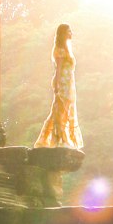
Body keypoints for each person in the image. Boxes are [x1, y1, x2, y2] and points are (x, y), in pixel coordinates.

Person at [33, 22, 83, 150]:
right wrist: (56, 84)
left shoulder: (66, 49)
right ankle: (61, 139)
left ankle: (60, 139)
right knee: (61, 110)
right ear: (63, 33)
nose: (71, 33)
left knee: (64, 110)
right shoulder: (60, 50)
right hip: (63, 83)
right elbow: (58, 69)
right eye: (69, 31)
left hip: (69, 83)